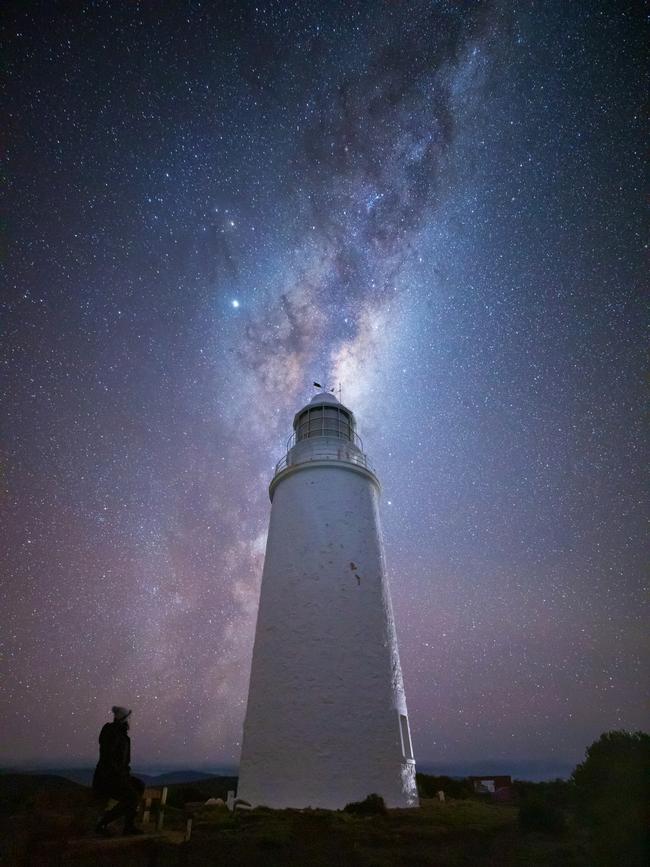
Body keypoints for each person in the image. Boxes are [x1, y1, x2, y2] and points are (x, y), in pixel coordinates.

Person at [92, 706, 145, 836]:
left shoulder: (121, 734)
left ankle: (129, 826)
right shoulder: (113, 733)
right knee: (132, 796)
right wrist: (121, 776)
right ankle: (102, 824)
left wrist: (124, 775)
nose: (130, 721)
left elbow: (122, 761)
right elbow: (109, 759)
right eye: (128, 718)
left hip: (117, 776)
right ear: (123, 719)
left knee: (139, 785)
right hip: (107, 778)